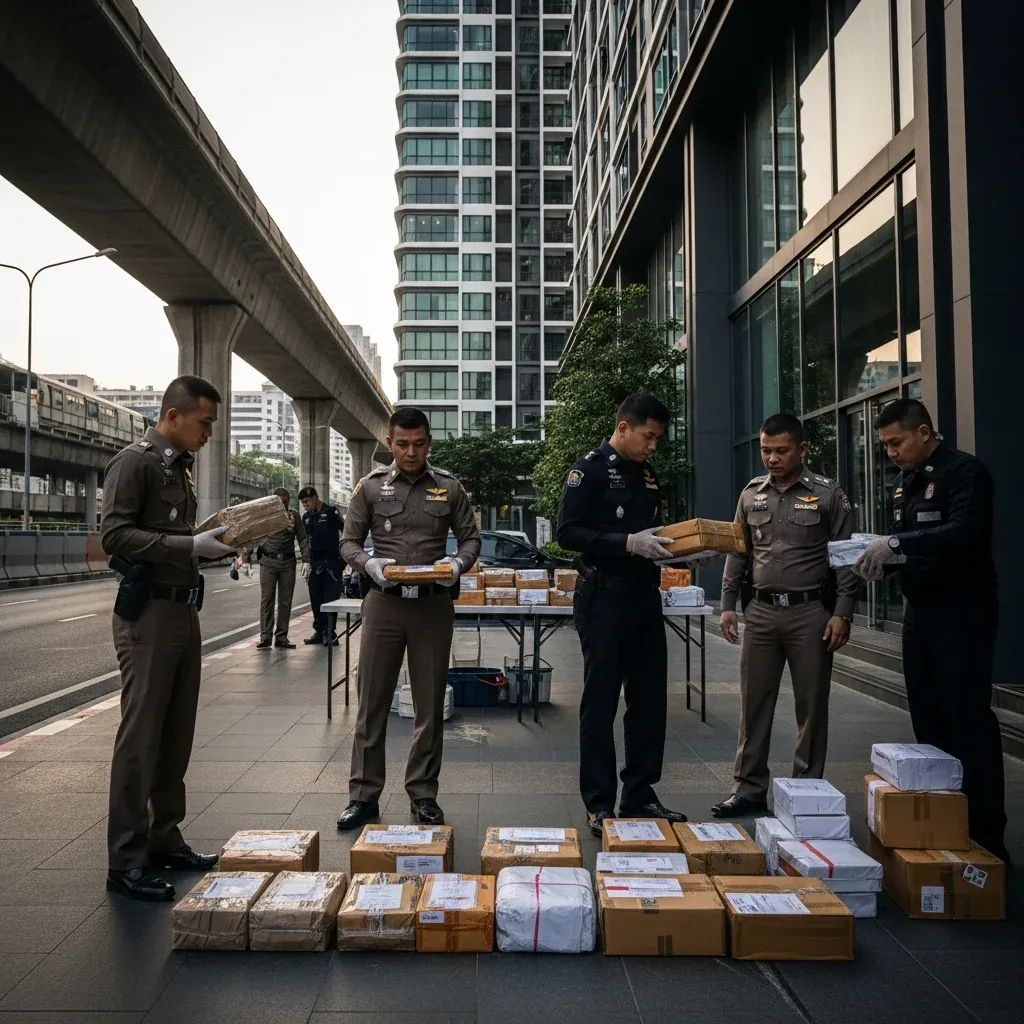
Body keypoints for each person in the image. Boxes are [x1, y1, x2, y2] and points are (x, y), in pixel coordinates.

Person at [853, 398, 1007, 860]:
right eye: (884, 446)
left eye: (896, 442)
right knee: (928, 716)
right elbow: (916, 549)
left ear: (924, 432)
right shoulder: (906, 484)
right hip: (919, 612)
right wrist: (890, 562)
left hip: (961, 613)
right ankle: (938, 823)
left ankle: (984, 833)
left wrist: (896, 543)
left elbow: (965, 532)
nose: (891, 453)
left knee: (966, 718)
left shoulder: (965, 473)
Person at [101, 375, 235, 901]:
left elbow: (177, 538)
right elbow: (113, 533)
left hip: (183, 612)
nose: (209, 434)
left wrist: (210, 546)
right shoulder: (135, 462)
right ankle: (126, 859)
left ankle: (163, 836)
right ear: (174, 415)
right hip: (148, 615)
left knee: (176, 734)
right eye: (204, 423)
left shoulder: (179, 467)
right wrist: (189, 547)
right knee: (141, 738)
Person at [336, 407, 480, 830]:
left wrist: (458, 564)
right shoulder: (370, 487)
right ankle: (363, 796)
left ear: (429, 443)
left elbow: (471, 538)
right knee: (372, 702)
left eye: (419, 444)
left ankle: (423, 794)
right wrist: (368, 564)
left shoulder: (449, 488)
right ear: (389, 443)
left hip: (433, 605)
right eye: (402, 444)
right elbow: (348, 542)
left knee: (430, 705)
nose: (411, 452)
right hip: (384, 603)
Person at [712, 413, 856, 819]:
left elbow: (845, 561)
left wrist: (842, 613)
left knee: (811, 706)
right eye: (765, 451)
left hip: (810, 613)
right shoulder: (750, 495)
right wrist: (727, 605)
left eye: (781, 451)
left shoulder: (828, 495)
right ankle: (749, 788)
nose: (772, 459)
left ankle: (806, 789)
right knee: (753, 703)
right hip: (760, 613)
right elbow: (737, 552)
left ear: (802, 449)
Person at [557, 393, 687, 838]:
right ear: (624, 427)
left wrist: (685, 552)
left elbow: (656, 533)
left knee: (649, 700)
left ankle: (640, 794)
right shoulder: (588, 470)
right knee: (601, 701)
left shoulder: (648, 475)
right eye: (648, 437)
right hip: (604, 599)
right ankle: (598, 802)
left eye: (658, 439)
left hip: (644, 598)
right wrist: (627, 543)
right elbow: (567, 532)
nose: (653, 446)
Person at [254, 487, 310, 650]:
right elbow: (254, 535)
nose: (282, 504)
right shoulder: (266, 517)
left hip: (288, 563)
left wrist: (307, 560)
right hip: (268, 561)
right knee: (267, 600)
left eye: (285, 501)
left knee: (285, 601)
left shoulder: (294, 516)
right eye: (279, 501)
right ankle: (265, 637)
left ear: (288, 501)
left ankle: (281, 637)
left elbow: (302, 538)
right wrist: (243, 556)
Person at [298, 485, 345, 646]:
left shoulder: (332, 512)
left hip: (332, 562)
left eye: (307, 502)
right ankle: (319, 631)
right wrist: (306, 561)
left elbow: (346, 532)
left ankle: (329, 633)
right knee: (316, 599)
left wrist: (344, 560)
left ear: (315, 498)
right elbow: (305, 540)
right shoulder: (306, 517)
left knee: (330, 599)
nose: (305, 505)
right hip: (315, 563)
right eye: (303, 503)